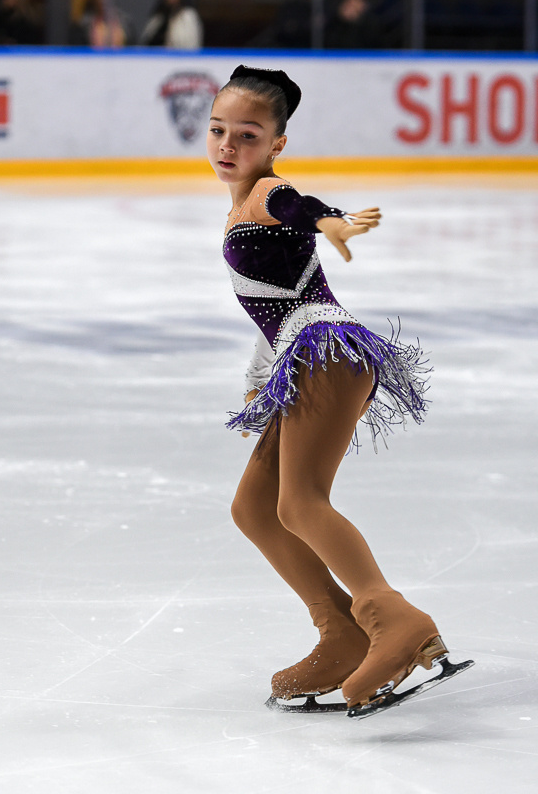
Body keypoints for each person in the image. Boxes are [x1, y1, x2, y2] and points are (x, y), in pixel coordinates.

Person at [206, 65, 447, 711]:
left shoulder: (265, 193)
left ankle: (391, 616)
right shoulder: (239, 205)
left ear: (276, 145)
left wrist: (329, 220)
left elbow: (294, 206)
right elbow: (276, 304)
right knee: (256, 509)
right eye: (218, 129)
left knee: (302, 503)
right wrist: (263, 381)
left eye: (247, 135)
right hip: (305, 356)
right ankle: (339, 632)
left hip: (326, 352)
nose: (229, 145)